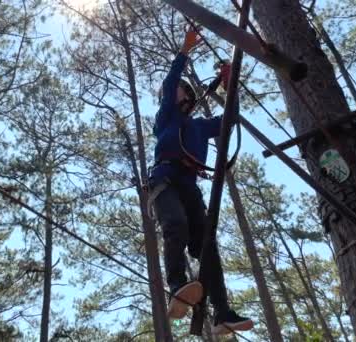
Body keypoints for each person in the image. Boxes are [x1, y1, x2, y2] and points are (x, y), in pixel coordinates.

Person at [148, 29, 253, 334]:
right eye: (175, 90)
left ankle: (223, 313)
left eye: (182, 89)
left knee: (207, 248)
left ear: (189, 95)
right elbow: (169, 85)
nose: (175, 92)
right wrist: (184, 51)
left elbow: (229, 120)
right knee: (175, 224)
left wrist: (230, 83)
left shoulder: (199, 126)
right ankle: (178, 284)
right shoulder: (165, 118)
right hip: (165, 180)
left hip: (189, 187)